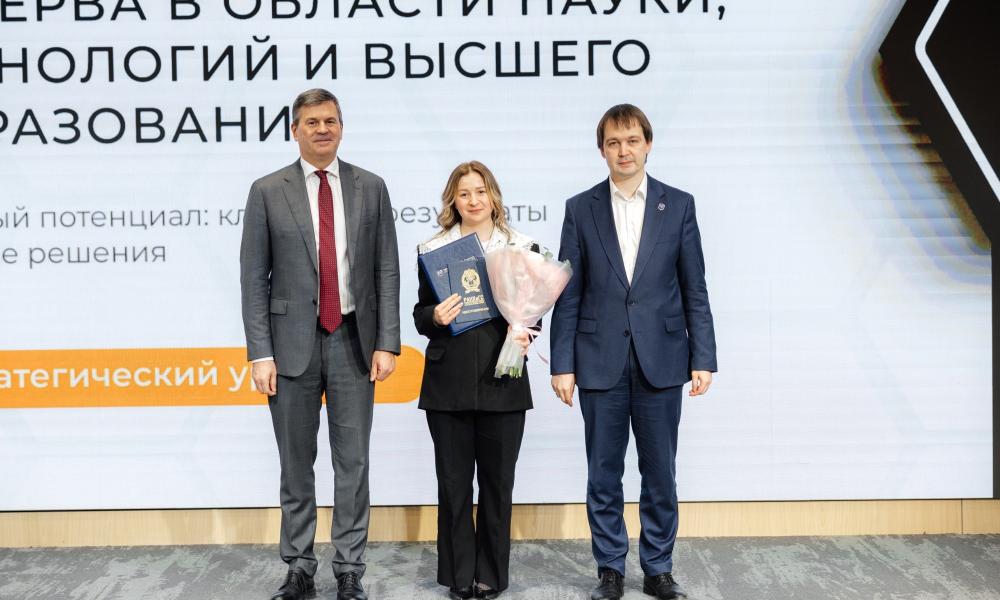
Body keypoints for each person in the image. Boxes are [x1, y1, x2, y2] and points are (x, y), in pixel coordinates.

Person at [549, 105, 717, 600]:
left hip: (662, 359)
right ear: (601, 150)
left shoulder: (678, 204)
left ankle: (659, 568)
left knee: (660, 473)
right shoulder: (580, 208)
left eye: (632, 141)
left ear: (648, 144)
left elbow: (695, 287)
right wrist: (563, 364)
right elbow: (568, 292)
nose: (623, 151)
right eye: (613, 143)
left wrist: (703, 356)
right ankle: (610, 570)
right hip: (597, 359)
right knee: (603, 473)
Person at [240, 88, 400, 600]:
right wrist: (260, 353)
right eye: (312, 122)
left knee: (353, 463)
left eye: (330, 120)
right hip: (291, 346)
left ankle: (350, 568)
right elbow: (254, 280)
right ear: (295, 130)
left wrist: (388, 341)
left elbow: (386, 269)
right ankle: (299, 567)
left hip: (354, 340)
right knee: (296, 463)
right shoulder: (268, 190)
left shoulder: (371, 187)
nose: (322, 129)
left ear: (341, 127)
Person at [413, 161, 535, 600]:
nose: (473, 200)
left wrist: (527, 327)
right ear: (453, 200)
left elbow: (535, 311)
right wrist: (435, 316)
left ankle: (491, 575)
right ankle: (459, 575)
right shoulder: (433, 249)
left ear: (493, 195)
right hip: (448, 383)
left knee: (498, 486)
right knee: (453, 485)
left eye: (480, 191)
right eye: (464, 193)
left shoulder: (520, 246)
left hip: (503, 380)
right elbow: (419, 315)